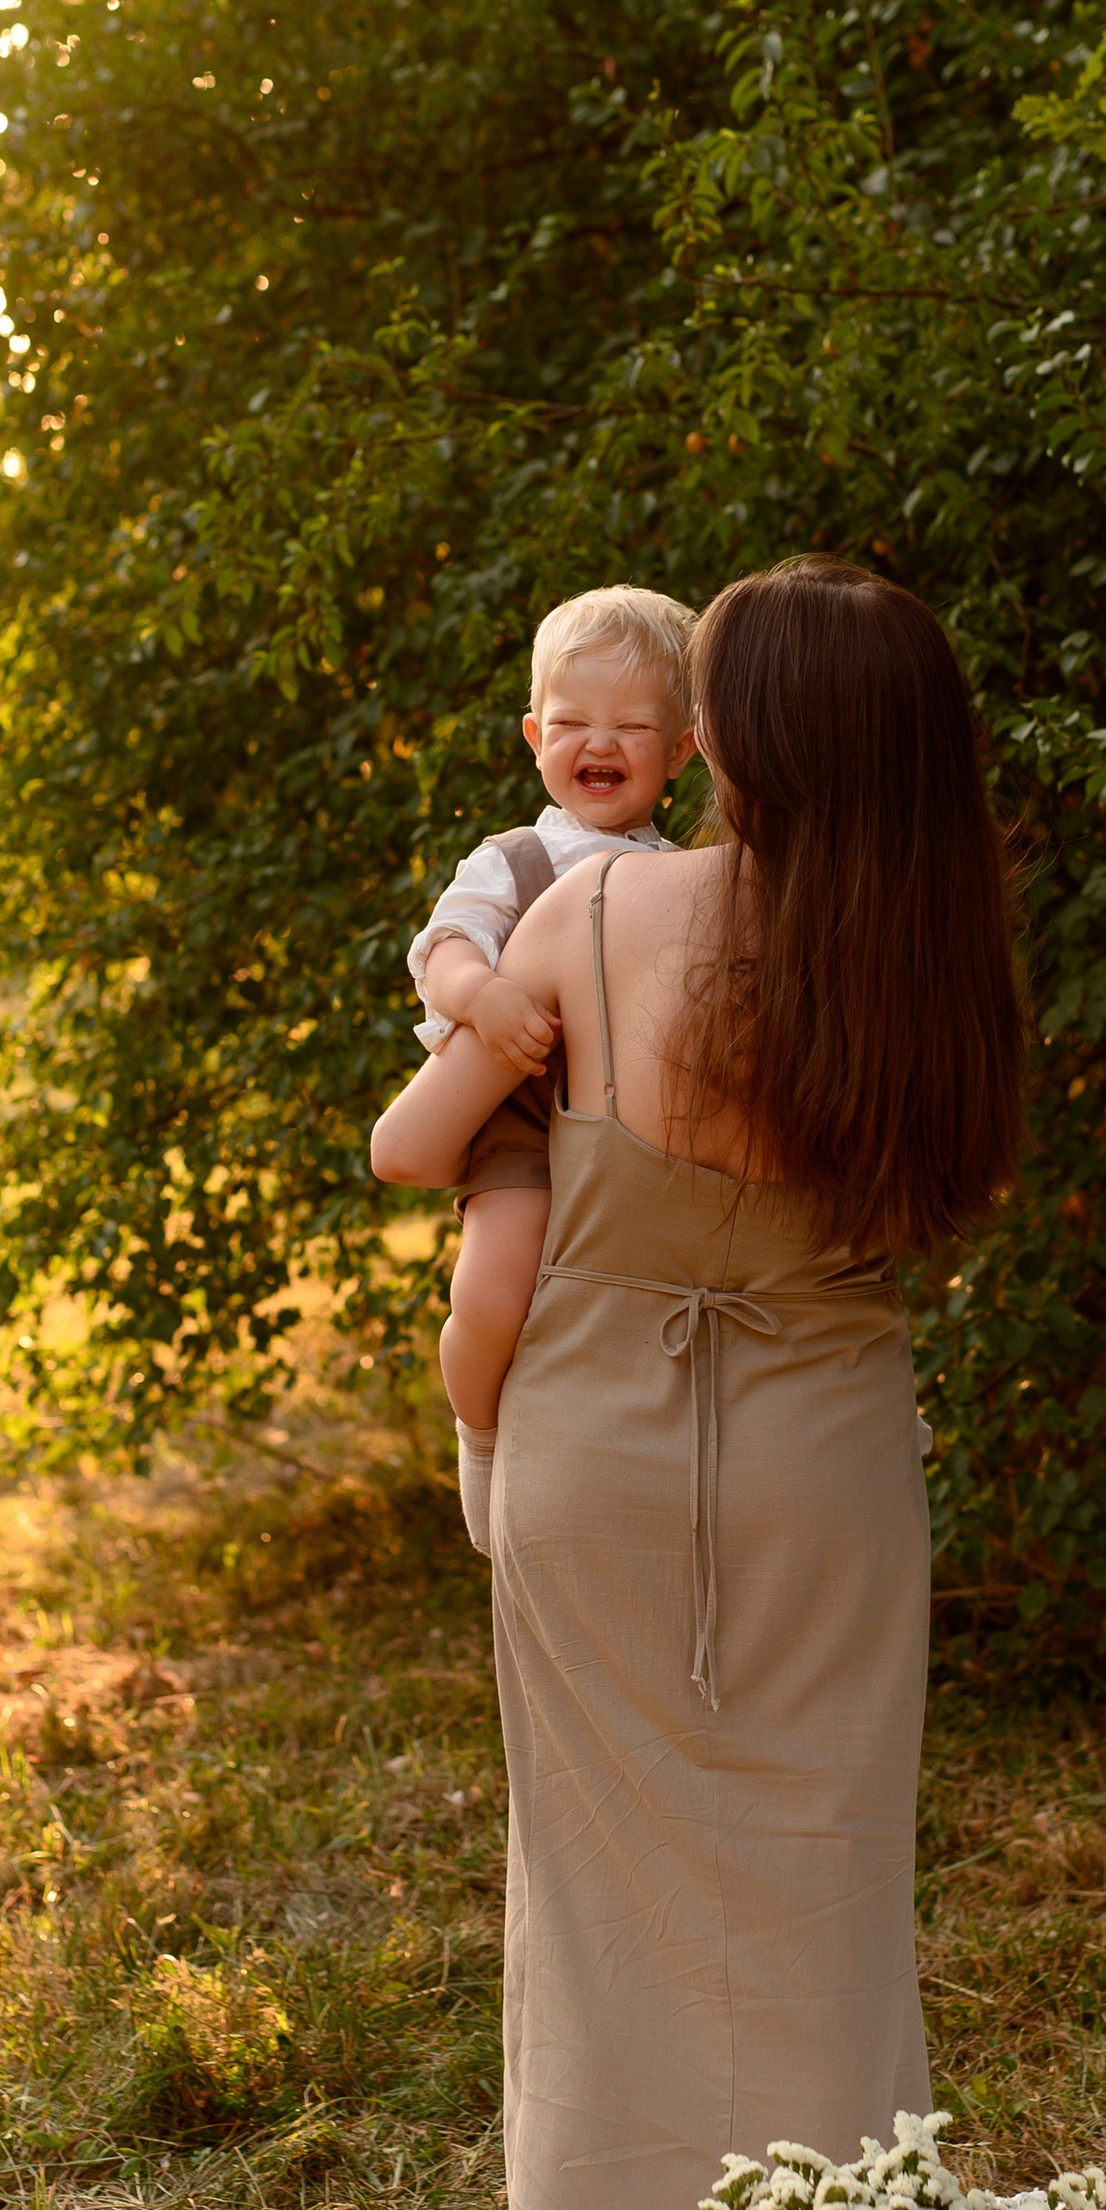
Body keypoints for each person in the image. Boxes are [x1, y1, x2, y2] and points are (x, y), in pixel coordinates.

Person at [370, 556, 1026, 2210]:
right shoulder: (940, 952)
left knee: (598, 1903)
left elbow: (420, 1147)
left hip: (598, 1440)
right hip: (827, 1456)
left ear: (736, 738)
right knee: (825, 1893)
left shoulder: (600, 905)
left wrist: (492, 1031)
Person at [405, 586, 698, 1552]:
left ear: (684, 749)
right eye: (571, 722)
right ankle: (479, 1429)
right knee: (494, 1286)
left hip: (633, 1126)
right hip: (524, 1109)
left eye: (629, 725)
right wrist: (482, 997)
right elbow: (447, 946)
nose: (595, 743)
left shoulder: (684, 867)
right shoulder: (518, 857)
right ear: (535, 735)